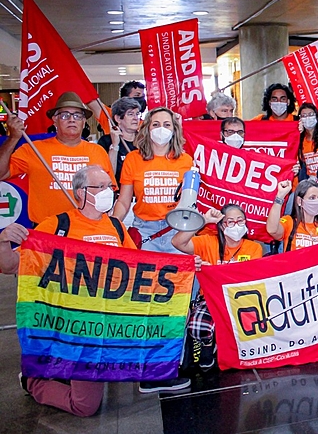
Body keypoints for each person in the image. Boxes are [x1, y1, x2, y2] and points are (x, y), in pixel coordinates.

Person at [0, 166, 188, 416]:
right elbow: (10, 265)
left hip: (110, 325)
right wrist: (3, 241)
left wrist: (182, 266)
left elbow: (140, 270)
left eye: (110, 186)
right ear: (81, 193)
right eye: (100, 187)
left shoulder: (117, 227)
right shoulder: (58, 226)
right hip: (74, 329)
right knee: (85, 406)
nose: (108, 192)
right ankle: (33, 381)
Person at [0, 92, 115, 225]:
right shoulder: (33, 149)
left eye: (77, 116)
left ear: (84, 122)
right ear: (55, 119)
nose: (72, 119)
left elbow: (109, 191)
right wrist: (13, 138)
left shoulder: (98, 151)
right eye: (65, 115)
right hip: (46, 229)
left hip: (87, 228)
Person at [172, 205, 263, 368]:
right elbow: (177, 242)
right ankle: (207, 346)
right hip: (210, 299)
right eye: (230, 221)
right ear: (221, 225)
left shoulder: (254, 248)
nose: (236, 225)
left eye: (240, 220)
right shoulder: (208, 242)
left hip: (240, 300)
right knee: (198, 328)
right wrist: (203, 221)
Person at [112, 107, 193, 253]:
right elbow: (124, 201)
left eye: (167, 124)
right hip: (144, 231)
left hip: (177, 231)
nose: (161, 129)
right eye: (155, 124)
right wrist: (113, 223)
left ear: (174, 129)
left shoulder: (186, 160)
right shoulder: (133, 159)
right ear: (147, 128)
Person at [267, 179, 318, 251]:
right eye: (312, 198)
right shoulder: (289, 222)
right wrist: (280, 196)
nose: (317, 201)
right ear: (299, 201)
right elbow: (272, 230)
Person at [97, 97, 139, 183]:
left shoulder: (146, 140)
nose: (136, 118)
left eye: (137, 114)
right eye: (130, 114)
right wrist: (115, 146)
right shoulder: (106, 141)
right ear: (118, 118)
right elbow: (108, 175)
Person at [297, 102, 318, 180]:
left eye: (310, 114)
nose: (307, 118)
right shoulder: (299, 140)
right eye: (304, 116)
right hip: (310, 182)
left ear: (316, 116)